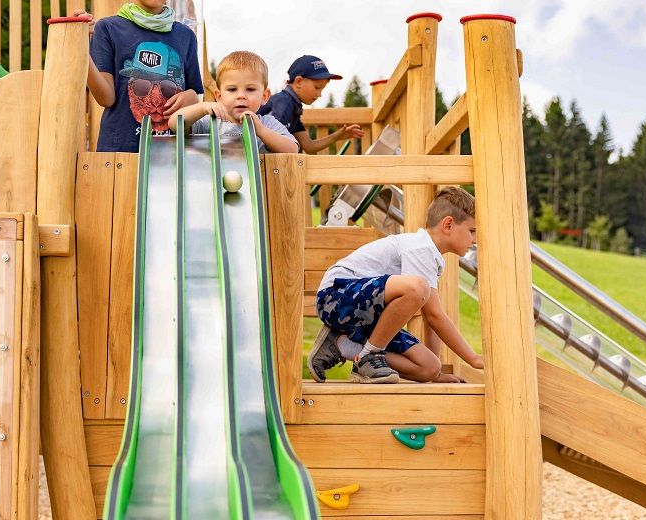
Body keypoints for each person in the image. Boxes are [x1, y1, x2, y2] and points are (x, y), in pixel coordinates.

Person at [309, 186, 485, 384]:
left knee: (428, 367)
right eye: (472, 231)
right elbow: (435, 316)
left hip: (366, 319)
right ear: (448, 225)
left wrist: (437, 374)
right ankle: (368, 357)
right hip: (335, 297)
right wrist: (473, 359)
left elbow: (431, 318)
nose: (475, 240)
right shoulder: (420, 248)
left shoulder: (431, 256)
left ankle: (343, 345)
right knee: (418, 288)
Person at [76, 0, 204, 152]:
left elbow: (193, 98)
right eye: (142, 86)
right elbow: (106, 99)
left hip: (171, 155)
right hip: (120, 154)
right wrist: (81, 46)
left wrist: (193, 97)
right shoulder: (107, 29)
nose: (155, 100)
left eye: (166, 87)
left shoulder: (186, 36)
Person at [169, 51, 298, 153]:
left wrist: (261, 131)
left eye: (250, 89)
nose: (241, 96)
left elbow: (292, 149)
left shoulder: (267, 124)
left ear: (265, 96)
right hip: (217, 184)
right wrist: (202, 107)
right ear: (219, 96)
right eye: (232, 89)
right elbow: (174, 124)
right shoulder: (211, 122)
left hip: (258, 185)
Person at [257, 55, 364, 153]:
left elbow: (309, 146)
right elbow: (271, 144)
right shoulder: (284, 103)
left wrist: (337, 136)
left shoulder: (294, 108)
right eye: (317, 87)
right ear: (299, 82)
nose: (319, 94)